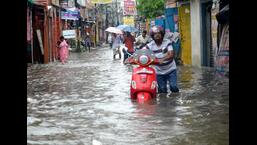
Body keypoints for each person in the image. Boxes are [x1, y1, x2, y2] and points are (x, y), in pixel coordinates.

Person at [146, 26, 179, 93]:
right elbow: (142, 53)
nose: (157, 35)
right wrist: (132, 59)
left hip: (171, 69)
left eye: (159, 33)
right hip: (159, 71)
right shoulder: (149, 46)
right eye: (155, 34)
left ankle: (175, 100)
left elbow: (171, 55)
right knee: (162, 90)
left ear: (162, 34)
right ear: (152, 36)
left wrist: (162, 59)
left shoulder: (167, 42)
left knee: (174, 87)